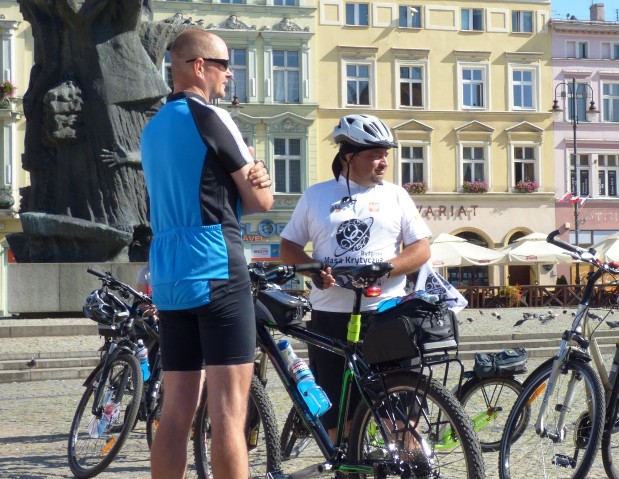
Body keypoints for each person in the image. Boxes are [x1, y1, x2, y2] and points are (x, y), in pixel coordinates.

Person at [141, 29, 274, 479]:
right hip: (216, 264)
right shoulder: (212, 117)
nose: (228, 74)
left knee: (175, 411)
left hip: (169, 274)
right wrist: (262, 176)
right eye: (223, 65)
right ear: (199, 66)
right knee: (228, 415)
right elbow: (260, 203)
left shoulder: (153, 127)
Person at [279, 113, 432, 438]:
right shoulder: (316, 195)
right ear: (349, 156)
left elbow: (421, 249)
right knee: (340, 426)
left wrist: (386, 268)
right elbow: (288, 245)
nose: (384, 162)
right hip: (330, 320)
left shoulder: (396, 195)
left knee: (403, 423)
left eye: (385, 154)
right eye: (375, 154)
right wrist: (312, 269)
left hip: (387, 315)